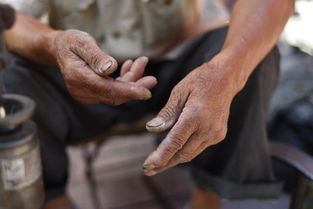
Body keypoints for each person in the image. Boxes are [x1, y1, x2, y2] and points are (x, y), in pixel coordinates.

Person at [0, 0, 294, 208]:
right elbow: (10, 20)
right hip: (81, 72)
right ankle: (52, 201)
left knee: (250, 58)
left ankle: (206, 201)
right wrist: (55, 44)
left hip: (185, 58)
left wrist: (227, 72)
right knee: (9, 80)